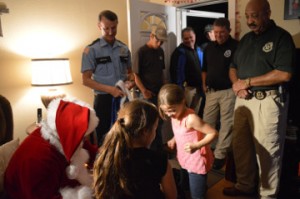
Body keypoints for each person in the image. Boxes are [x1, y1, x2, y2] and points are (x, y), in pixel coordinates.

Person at [222, 0, 295, 198]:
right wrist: (237, 84)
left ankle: (267, 194)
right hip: (243, 100)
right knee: (241, 146)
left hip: (268, 102)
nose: (250, 21)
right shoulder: (245, 39)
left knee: (268, 152)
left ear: (267, 13)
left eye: (254, 16)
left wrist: (248, 82)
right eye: (247, 16)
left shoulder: (282, 37)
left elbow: (284, 74)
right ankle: (244, 186)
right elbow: (232, 67)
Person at [93, 99, 177, 199]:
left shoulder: (104, 156)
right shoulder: (159, 160)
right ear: (146, 131)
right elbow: (171, 196)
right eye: (155, 129)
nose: (155, 134)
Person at [81, 10, 134, 146]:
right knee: (104, 138)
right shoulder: (91, 50)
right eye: (106, 28)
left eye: (114, 28)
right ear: (99, 26)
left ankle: (123, 165)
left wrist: (130, 83)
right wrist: (110, 89)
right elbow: (86, 80)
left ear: (117, 24)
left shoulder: (123, 48)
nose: (111, 32)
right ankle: (105, 166)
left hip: (123, 98)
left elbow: (130, 74)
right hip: (104, 101)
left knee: (125, 134)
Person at [158, 84, 217, 199]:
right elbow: (182, 131)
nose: (169, 114)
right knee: (185, 188)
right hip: (185, 159)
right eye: (166, 112)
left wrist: (197, 145)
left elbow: (213, 133)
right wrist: (174, 138)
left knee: (197, 195)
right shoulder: (175, 115)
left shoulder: (191, 119)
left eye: (172, 110)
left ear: (183, 101)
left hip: (196, 162)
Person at [201, 18, 238, 170]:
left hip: (228, 92)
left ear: (229, 30)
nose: (219, 35)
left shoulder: (237, 46)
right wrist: (204, 84)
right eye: (216, 32)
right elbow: (204, 69)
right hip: (211, 92)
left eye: (222, 32)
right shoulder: (208, 47)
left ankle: (221, 155)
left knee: (226, 124)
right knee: (206, 122)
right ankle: (207, 150)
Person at [133, 26, 167, 151]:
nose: (160, 43)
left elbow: (161, 72)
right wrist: (144, 91)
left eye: (162, 41)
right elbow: (135, 75)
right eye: (158, 40)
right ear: (151, 36)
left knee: (160, 122)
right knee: (148, 124)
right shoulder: (141, 52)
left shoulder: (160, 52)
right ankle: (149, 151)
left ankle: (158, 150)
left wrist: (164, 88)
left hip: (159, 94)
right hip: (146, 95)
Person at [170, 27, 204, 116]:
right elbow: (175, 72)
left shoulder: (199, 50)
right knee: (186, 114)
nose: (189, 40)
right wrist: (180, 89)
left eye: (191, 37)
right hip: (187, 90)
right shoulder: (179, 52)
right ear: (182, 39)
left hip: (200, 88)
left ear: (195, 36)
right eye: (186, 38)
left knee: (196, 114)